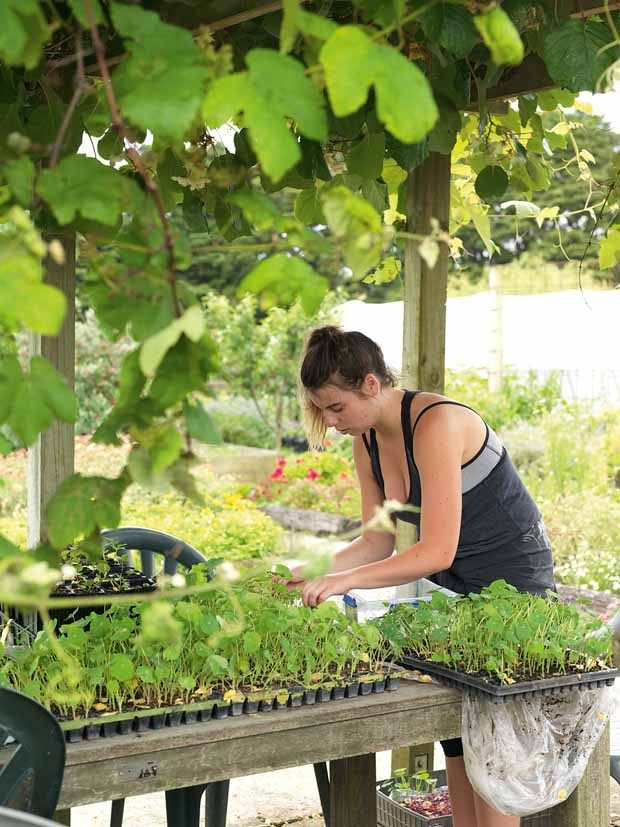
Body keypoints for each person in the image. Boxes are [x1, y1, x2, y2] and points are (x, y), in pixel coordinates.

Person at [285, 325, 555, 827]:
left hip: (513, 589)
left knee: (493, 748)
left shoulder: (436, 424)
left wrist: (347, 582)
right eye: (322, 409)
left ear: (371, 384)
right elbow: (377, 540)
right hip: (454, 590)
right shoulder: (364, 441)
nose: (329, 420)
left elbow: (435, 548)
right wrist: (312, 569)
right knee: (457, 738)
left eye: (336, 406)